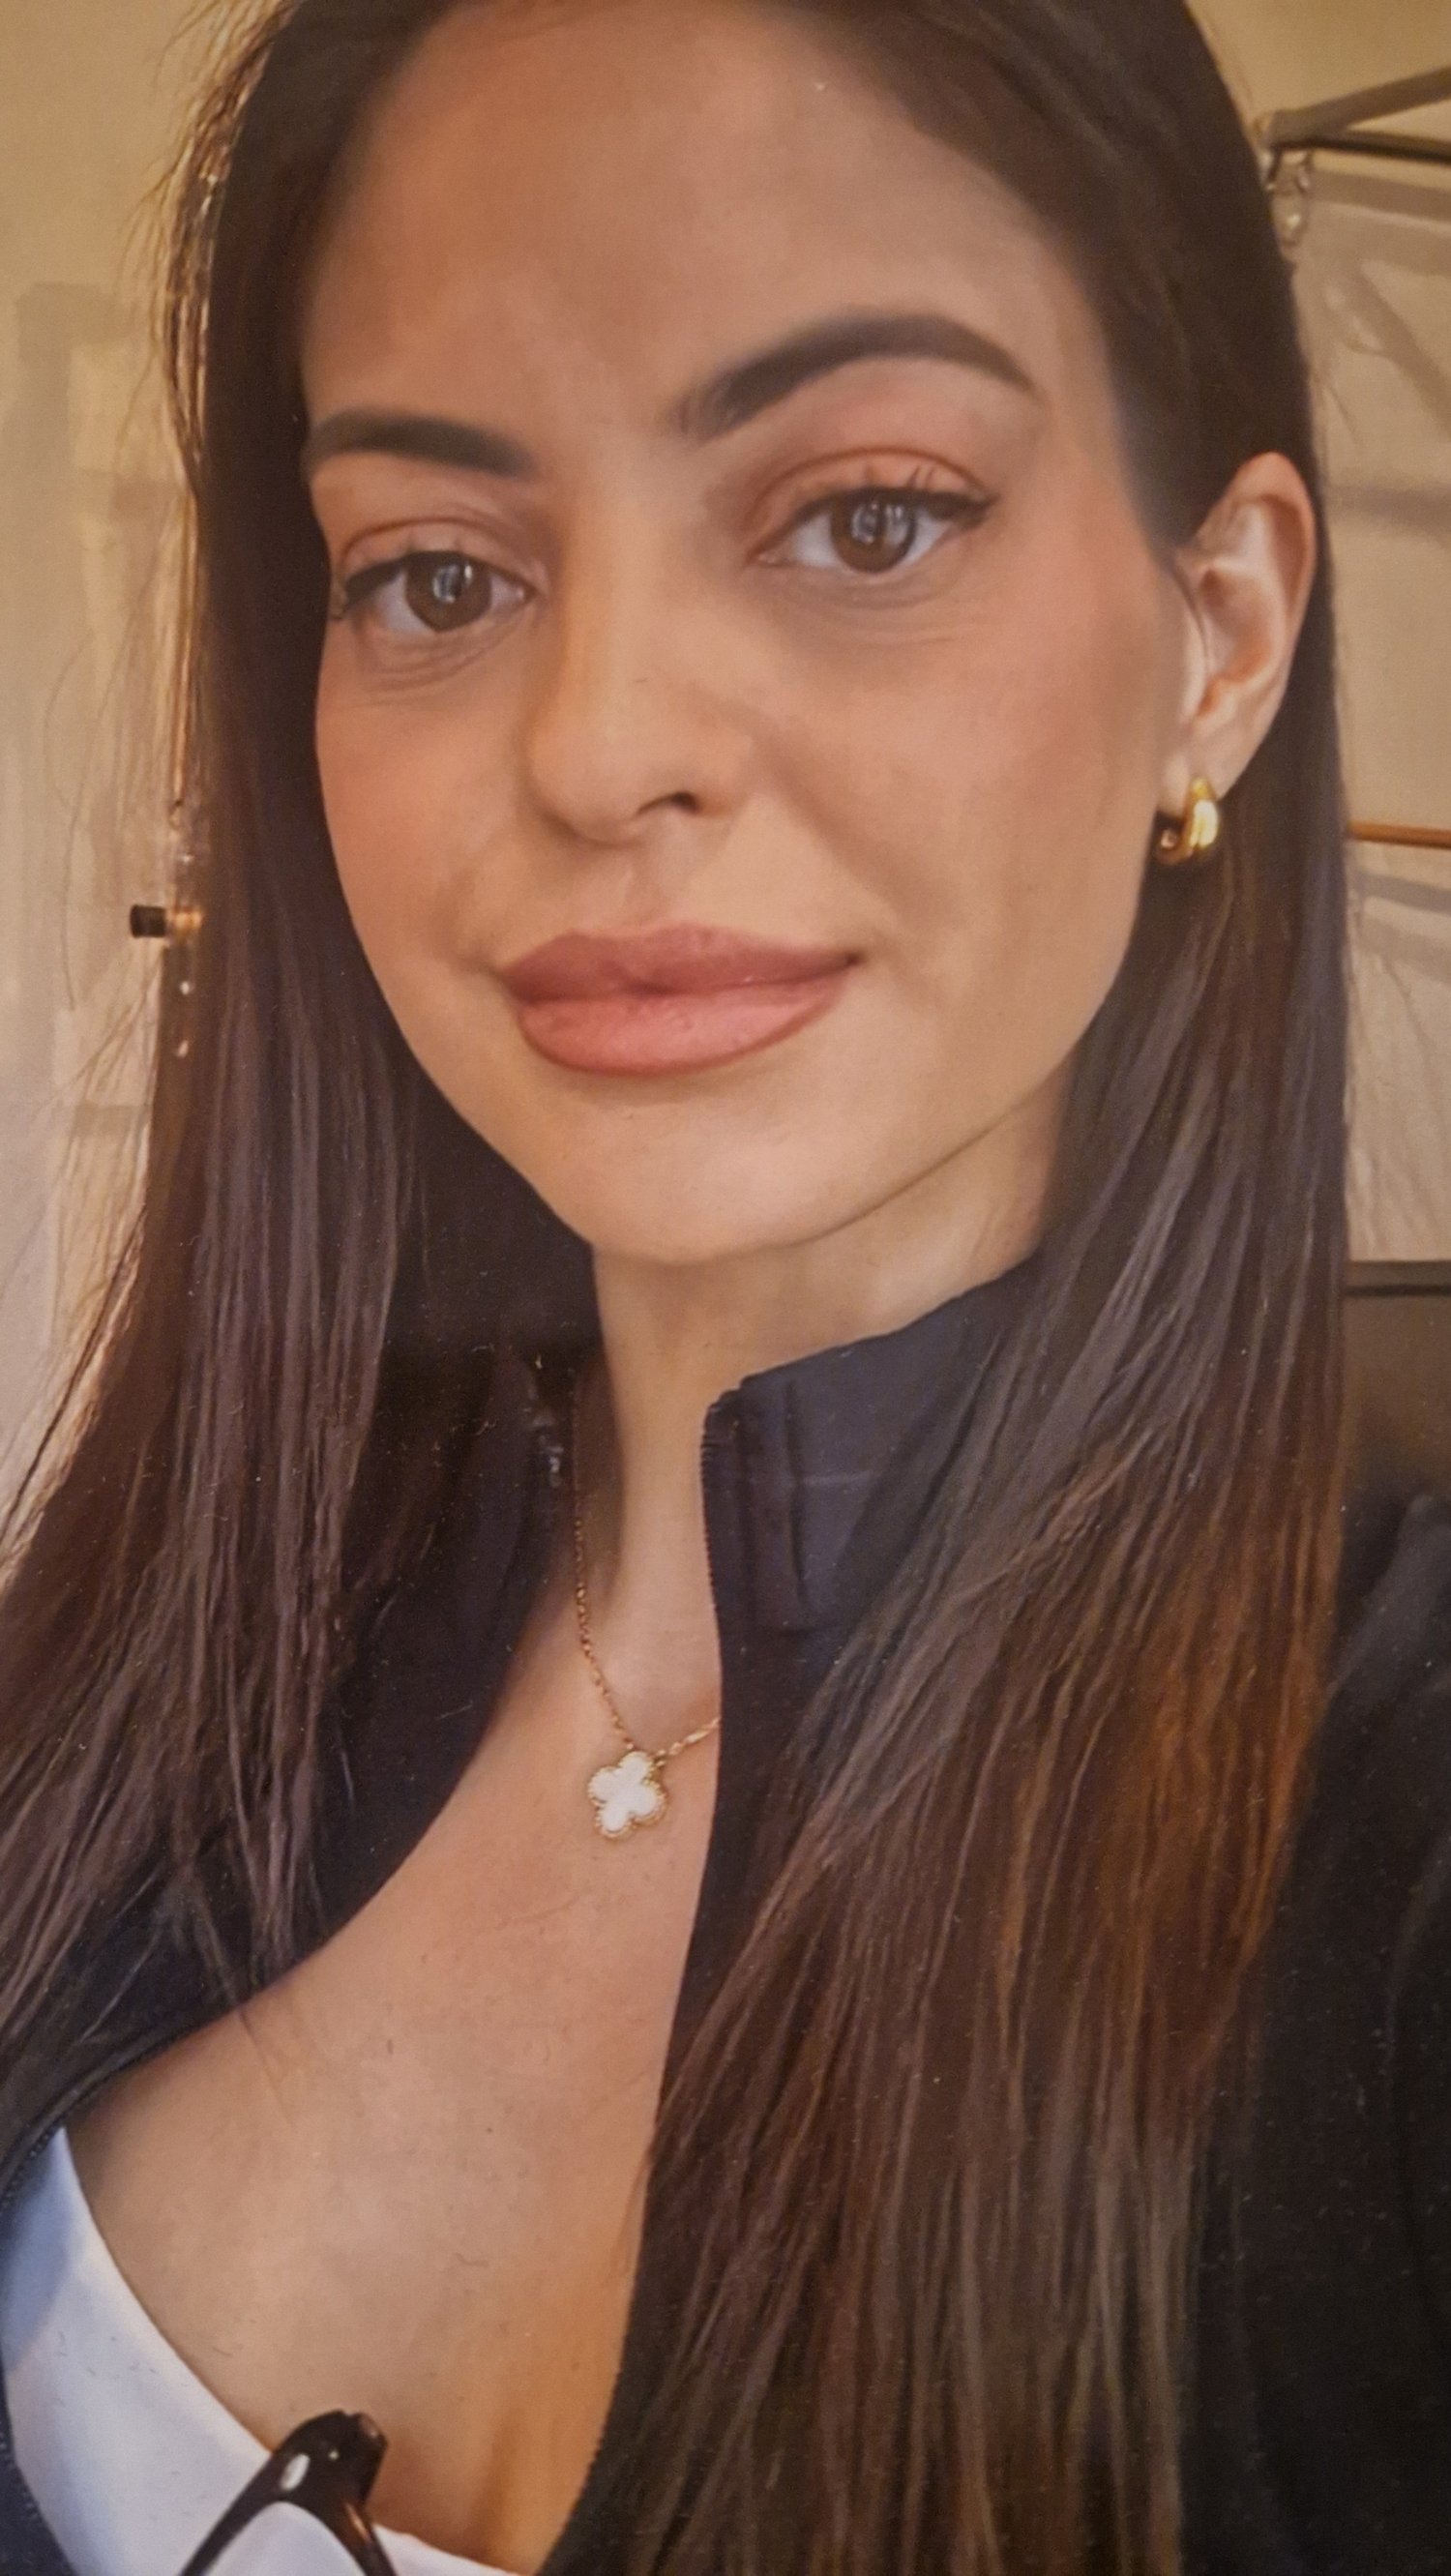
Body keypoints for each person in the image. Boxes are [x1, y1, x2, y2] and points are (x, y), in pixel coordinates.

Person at [0, 0, 1445, 2570]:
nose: (600, 740)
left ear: (1214, 631)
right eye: (434, 572)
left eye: (866, 515)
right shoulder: (171, 1626)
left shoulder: (1383, 1839)